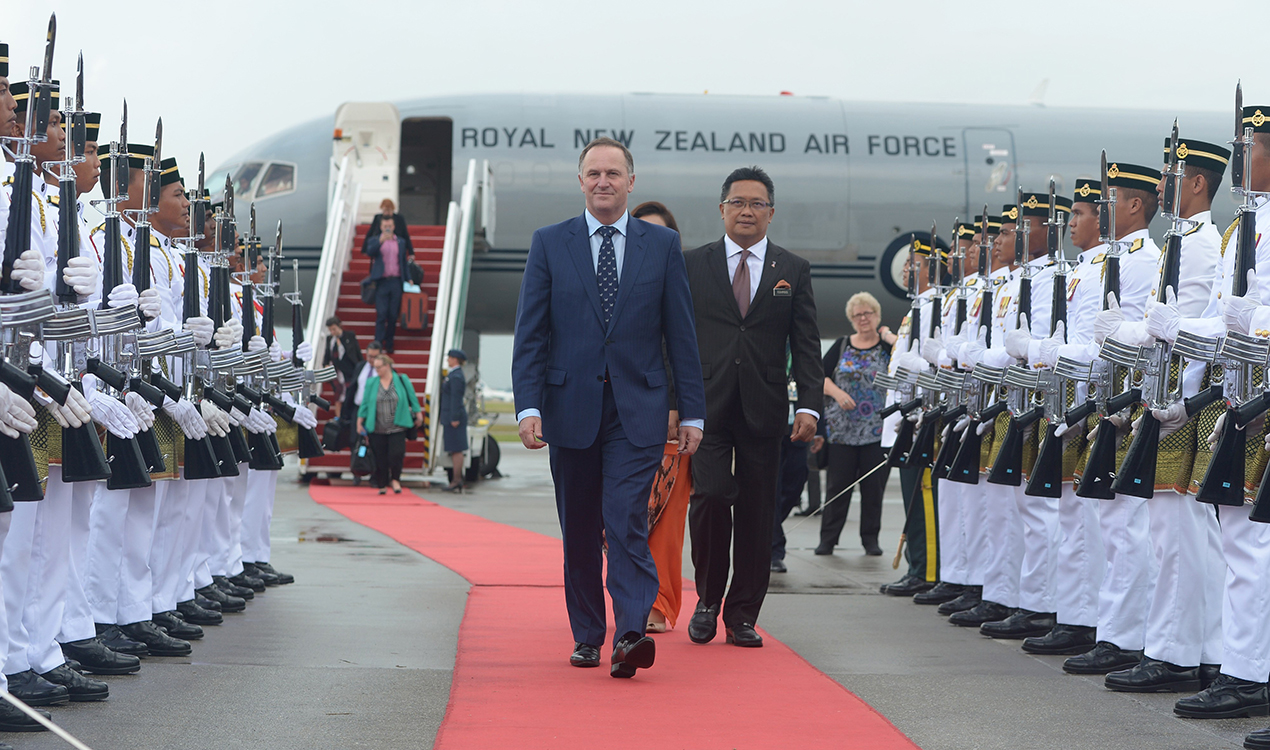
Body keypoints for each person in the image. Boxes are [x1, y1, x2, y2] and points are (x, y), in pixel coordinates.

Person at [511, 137, 705, 678]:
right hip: (568, 408)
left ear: (631, 182)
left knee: (625, 521)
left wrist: (691, 412)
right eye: (593, 173)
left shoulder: (661, 246)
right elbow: (531, 334)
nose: (603, 181)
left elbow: (681, 336)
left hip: (636, 409)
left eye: (613, 173)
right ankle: (587, 635)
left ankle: (630, 634)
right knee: (578, 529)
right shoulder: (550, 243)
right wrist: (528, 405)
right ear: (580, 181)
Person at [1149, 108, 1270, 730]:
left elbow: (1248, 321)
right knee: (1238, 543)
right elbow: (1224, 323)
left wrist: (1245, 325)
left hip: (1261, 400)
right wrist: (1183, 331)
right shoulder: (1239, 231)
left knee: (1249, 548)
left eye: (1252, 144)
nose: (1244, 155)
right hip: (1235, 397)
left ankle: (1247, 674)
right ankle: (1240, 668)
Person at [1101, 135, 1226, 693]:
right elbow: (1161, 330)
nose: (1160, 188)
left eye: (1168, 177)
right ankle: (1193, 649)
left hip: (1182, 407)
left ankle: (1179, 656)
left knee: (1179, 537)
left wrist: (1178, 399)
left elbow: (1198, 334)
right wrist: (1122, 333)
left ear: (1197, 182)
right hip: (1166, 397)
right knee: (1173, 536)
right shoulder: (1183, 240)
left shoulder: (1199, 245)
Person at [684, 165, 821, 649]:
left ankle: (742, 614)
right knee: (712, 496)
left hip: (765, 409)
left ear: (771, 213)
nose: (746, 211)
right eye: (737, 202)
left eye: (756, 204)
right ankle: (706, 599)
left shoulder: (793, 270)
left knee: (758, 514)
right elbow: (672, 338)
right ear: (722, 209)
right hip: (706, 408)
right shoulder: (691, 264)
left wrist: (809, 406)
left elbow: (806, 346)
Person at [629, 201, 694, 633]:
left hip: (667, 414)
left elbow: (682, 350)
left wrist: (677, 406)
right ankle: (630, 595)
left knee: (667, 519)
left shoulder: (680, 283)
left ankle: (660, 603)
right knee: (624, 516)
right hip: (621, 416)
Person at [815, 291, 894, 557]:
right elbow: (821, 377)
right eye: (858, 315)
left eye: (867, 313)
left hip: (876, 431)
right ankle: (828, 539)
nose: (863, 319)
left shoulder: (885, 348)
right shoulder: (841, 345)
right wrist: (837, 393)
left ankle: (870, 539)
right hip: (842, 432)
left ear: (877, 316)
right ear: (851, 319)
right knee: (837, 488)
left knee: (873, 490)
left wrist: (891, 339)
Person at [357, 355, 424, 495]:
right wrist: (360, 421)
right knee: (380, 456)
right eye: (375, 367)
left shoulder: (401, 379)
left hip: (398, 425)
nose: (377, 370)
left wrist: (418, 413)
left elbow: (412, 397)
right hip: (377, 427)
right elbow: (365, 403)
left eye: (379, 367)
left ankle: (395, 479)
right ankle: (382, 483)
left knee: (396, 454)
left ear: (387, 366)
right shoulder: (372, 382)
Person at [362, 215, 414, 353]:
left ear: (394, 227)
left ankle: (389, 342)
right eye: (385, 226)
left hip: (396, 281)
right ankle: (378, 343)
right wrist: (380, 241)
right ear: (381, 227)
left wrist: (408, 278)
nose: (387, 229)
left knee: (392, 314)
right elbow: (369, 252)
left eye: (389, 226)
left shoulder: (400, 242)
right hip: (382, 281)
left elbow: (403, 262)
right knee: (381, 313)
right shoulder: (375, 240)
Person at [440, 349, 469, 492]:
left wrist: (454, 417)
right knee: (454, 449)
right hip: (450, 417)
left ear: (455, 359)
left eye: (450, 358)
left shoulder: (456, 376)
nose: (448, 360)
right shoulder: (453, 375)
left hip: (454, 418)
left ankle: (457, 480)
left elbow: (456, 399)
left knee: (457, 450)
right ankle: (457, 479)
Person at [323, 316, 362, 415]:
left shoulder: (349, 336)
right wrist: (325, 365)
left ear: (339, 326)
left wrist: (361, 366)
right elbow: (327, 354)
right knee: (338, 395)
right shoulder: (330, 339)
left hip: (349, 370)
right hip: (337, 370)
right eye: (330, 330)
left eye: (334, 329)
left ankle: (350, 416)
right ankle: (338, 418)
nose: (332, 332)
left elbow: (357, 352)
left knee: (350, 394)